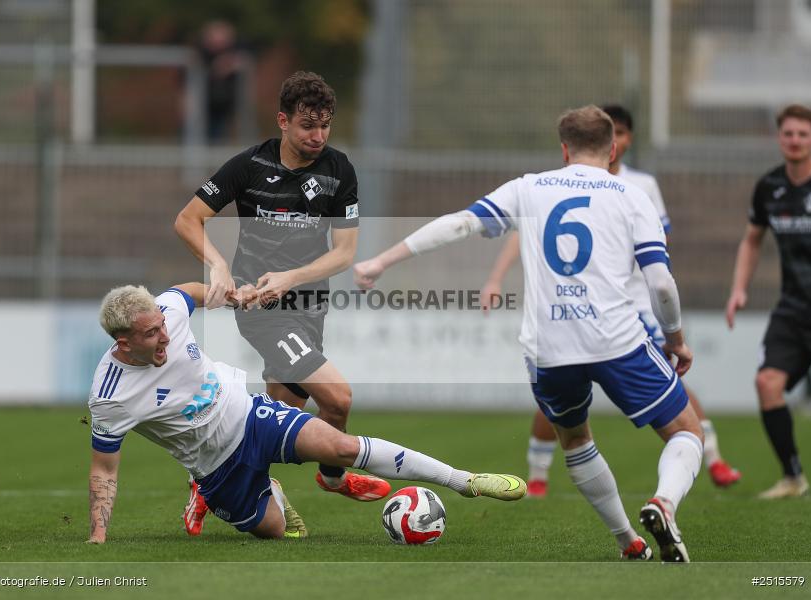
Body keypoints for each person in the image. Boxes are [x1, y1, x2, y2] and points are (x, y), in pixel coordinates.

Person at [354, 106, 705, 562]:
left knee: (575, 441)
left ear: (564, 150)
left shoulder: (529, 187)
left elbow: (460, 223)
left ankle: (628, 542)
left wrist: (382, 261)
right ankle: (664, 503)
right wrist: (675, 340)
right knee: (686, 431)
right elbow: (660, 283)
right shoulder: (632, 195)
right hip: (616, 340)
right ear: (613, 149)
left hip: (549, 348)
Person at [86, 283, 527, 543]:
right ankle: (223, 492)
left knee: (341, 446)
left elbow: (189, 291)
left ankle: (465, 481)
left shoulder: (165, 312)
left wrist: (234, 296)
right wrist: (98, 536)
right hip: (216, 467)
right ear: (124, 342)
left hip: (249, 416)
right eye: (152, 334)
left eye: (163, 326)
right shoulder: (111, 396)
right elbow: (104, 469)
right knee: (278, 532)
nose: (165, 335)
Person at [479, 104, 740, 497]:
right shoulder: (556, 185)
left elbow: (659, 243)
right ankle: (538, 476)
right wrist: (496, 277)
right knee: (559, 392)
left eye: (619, 131)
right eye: (608, 130)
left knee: (672, 382)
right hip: (583, 305)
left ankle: (714, 458)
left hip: (635, 305)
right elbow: (525, 231)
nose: (613, 138)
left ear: (625, 141)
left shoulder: (641, 186)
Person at [175, 71, 389, 536]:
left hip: (310, 307)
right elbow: (188, 220)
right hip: (261, 309)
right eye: (308, 126)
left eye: (325, 126)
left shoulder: (338, 170)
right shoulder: (249, 166)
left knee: (273, 422)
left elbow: (344, 253)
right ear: (283, 121)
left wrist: (291, 279)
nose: (318, 136)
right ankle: (333, 477)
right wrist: (219, 267)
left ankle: (207, 480)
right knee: (338, 398)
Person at [725, 103, 811, 499]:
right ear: (778, 138)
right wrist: (738, 289)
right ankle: (792, 477)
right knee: (767, 383)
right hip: (793, 310)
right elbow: (752, 240)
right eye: (788, 133)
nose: (795, 140)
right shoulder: (769, 187)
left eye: (803, 134)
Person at [196, 20, 243, 143]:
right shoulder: (200, 55)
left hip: (224, 108)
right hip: (203, 107)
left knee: (220, 139)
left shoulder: (234, 54)